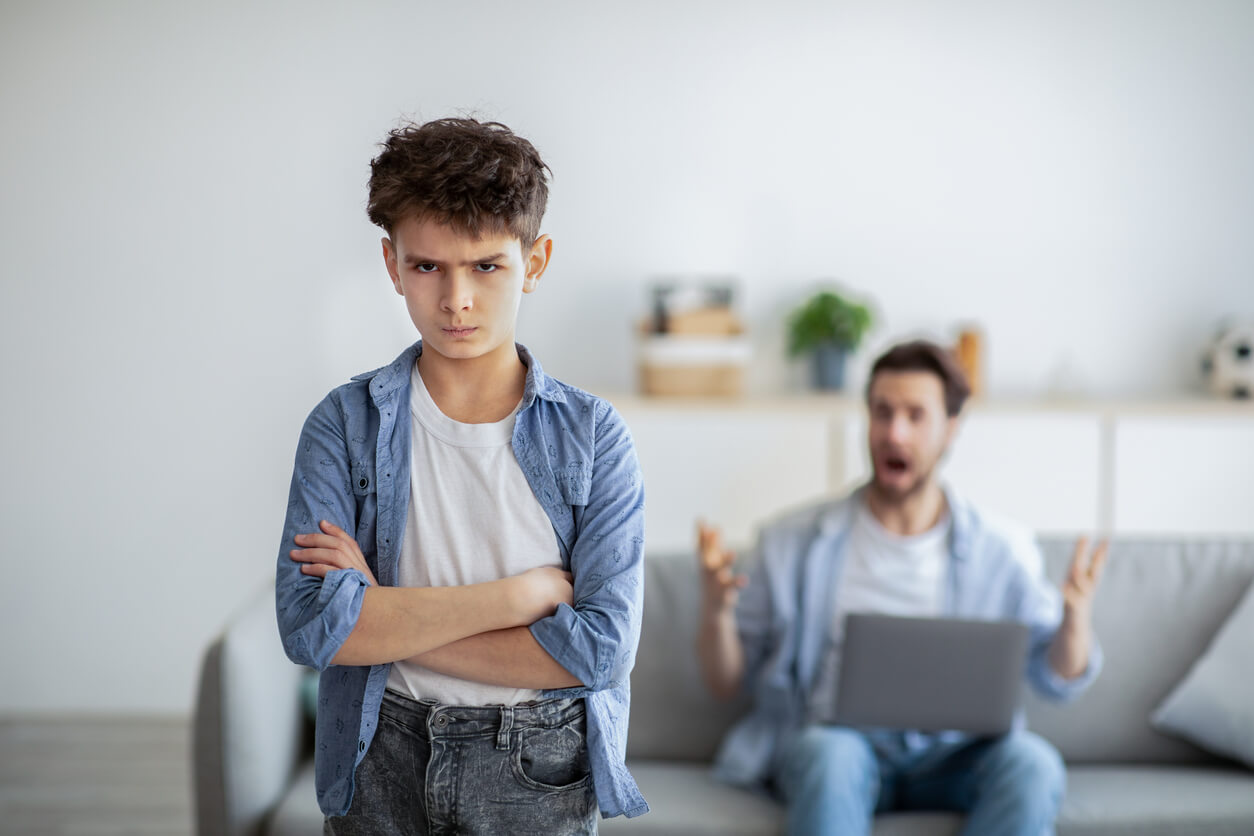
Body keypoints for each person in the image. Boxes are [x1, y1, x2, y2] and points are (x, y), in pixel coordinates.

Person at [274, 117, 648, 835]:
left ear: (533, 263)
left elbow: (598, 652)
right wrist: (520, 597)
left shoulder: (595, 437)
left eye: (485, 266)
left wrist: (381, 613)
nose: (456, 301)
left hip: (539, 767)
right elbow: (313, 629)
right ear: (391, 264)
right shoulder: (342, 426)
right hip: (379, 757)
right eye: (427, 267)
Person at [696, 339, 1108, 836]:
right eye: (882, 412)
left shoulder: (1003, 549)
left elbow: (1058, 677)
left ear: (951, 428)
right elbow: (724, 684)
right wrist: (717, 611)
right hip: (837, 745)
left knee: (1033, 764)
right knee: (831, 758)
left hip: (957, 754)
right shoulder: (790, 541)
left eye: (916, 415)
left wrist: (1076, 616)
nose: (894, 432)